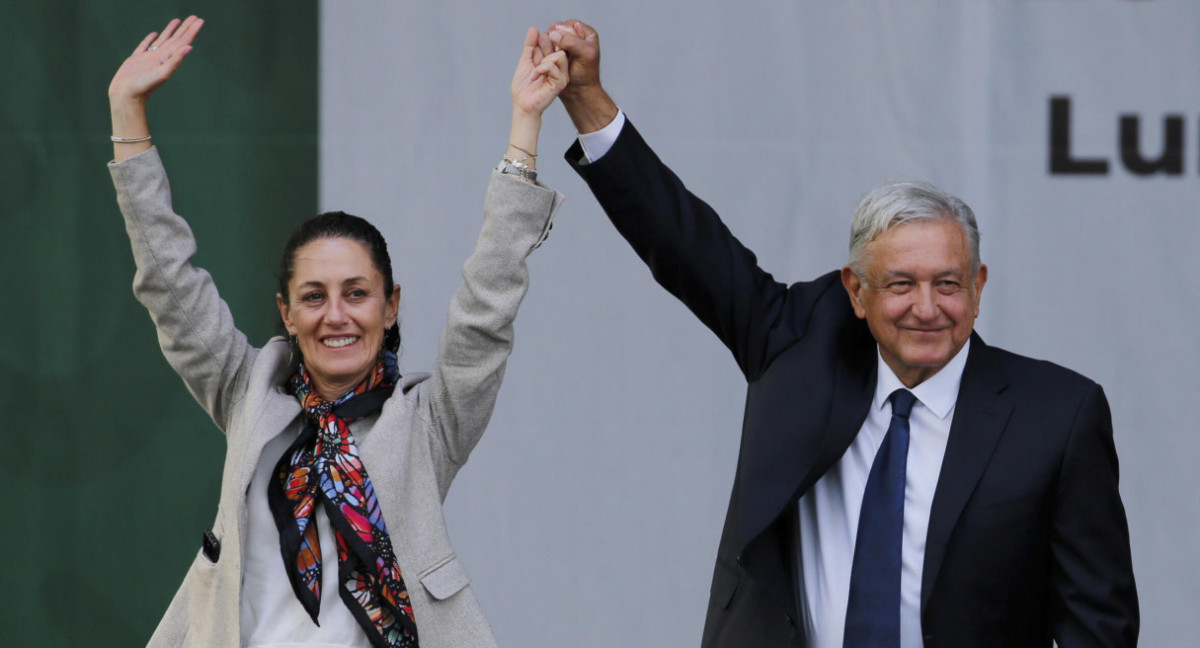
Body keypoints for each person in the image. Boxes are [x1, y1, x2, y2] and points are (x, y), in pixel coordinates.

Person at [545, 19, 1138, 648]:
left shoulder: (1058, 416)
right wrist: (586, 97)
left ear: (978, 286)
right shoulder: (797, 345)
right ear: (856, 291)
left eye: (948, 283)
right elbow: (684, 241)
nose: (927, 308)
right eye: (900, 284)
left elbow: (1097, 626)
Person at [107, 16, 567, 648]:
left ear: (390, 306)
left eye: (357, 294)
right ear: (288, 313)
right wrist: (127, 113)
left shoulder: (428, 424)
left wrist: (525, 126)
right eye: (314, 298)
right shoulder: (250, 393)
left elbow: (485, 310)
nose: (337, 315)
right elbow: (169, 283)